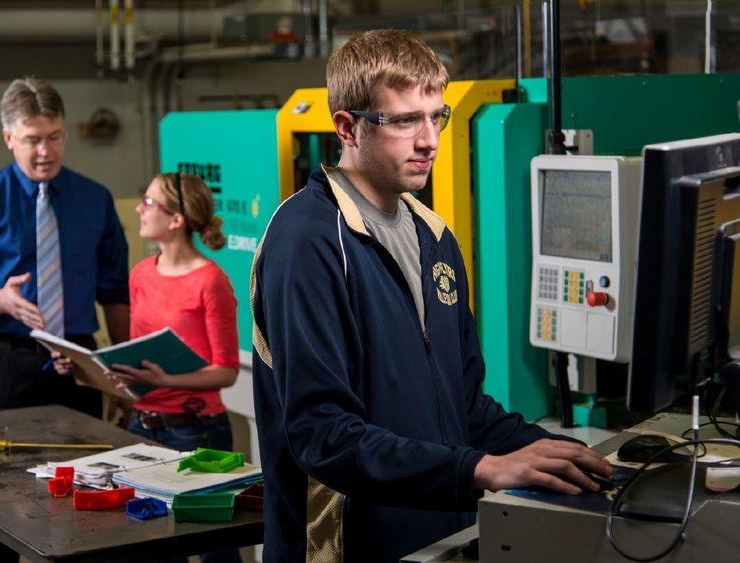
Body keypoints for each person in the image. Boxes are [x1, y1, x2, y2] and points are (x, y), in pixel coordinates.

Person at [250, 29, 613, 562]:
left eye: (436, 116)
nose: (429, 140)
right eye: (403, 120)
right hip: (347, 548)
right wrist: (479, 470)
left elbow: (465, 407)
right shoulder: (308, 240)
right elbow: (323, 437)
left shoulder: (434, 237)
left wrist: (568, 457)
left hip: (442, 539)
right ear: (347, 127)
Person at [0, 77, 130, 563]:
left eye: (55, 137)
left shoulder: (94, 200)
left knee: (88, 498)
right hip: (6, 362)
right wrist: (0, 299)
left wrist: (118, 373)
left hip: (79, 359)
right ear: (8, 138)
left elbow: (114, 291)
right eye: (33, 140)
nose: (46, 151)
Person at [106, 172, 241, 563]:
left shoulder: (211, 281)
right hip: (142, 428)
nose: (139, 209)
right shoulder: (141, 274)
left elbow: (226, 370)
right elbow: (137, 355)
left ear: (176, 220)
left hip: (197, 432)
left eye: (148, 203)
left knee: (215, 547)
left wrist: (168, 379)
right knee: (155, 546)